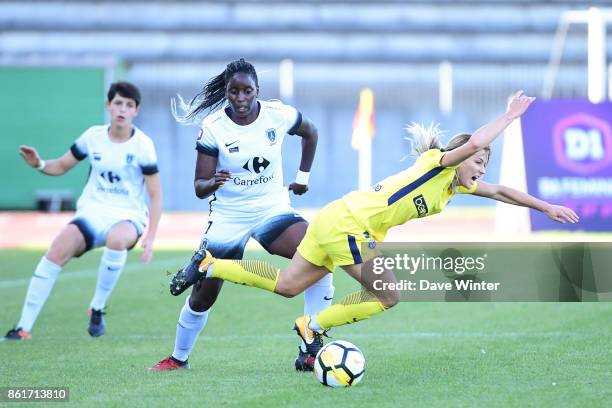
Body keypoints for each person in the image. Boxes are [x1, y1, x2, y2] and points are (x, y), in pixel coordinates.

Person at [170, 91, 579, 357]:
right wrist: (509, 116)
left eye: (485, 164)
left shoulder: (455, 188)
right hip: (349, 225)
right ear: (461, 156)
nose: (481, 168)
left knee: (287, 286)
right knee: (388, 295)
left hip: (336, 219)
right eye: (478, 162)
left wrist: (546, 207)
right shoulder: (437, 165)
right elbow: (472, 143)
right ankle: (312, 326)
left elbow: (504, 192)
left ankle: (212, 265)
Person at [150, 59, 334, 372]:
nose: (240, 98)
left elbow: (311, 132)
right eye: (234, 91)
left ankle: (309, 348)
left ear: (257, 91)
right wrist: (212, 182)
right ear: (226, 92)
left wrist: (302, 177)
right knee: (203, 298)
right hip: (229, 216)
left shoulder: (278, 114)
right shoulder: (213, 127)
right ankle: (178, 359)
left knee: (321, 255)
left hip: (271, 208)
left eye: (247, 91)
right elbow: (199, 187)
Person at [2, 81, 162, 341]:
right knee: (55, 252)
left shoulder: (143, 145)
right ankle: (23, 328)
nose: (122, 109)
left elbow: (156, 194)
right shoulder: (93, 136)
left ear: (136, 111)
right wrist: (39, 163)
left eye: (129, 105)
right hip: (92, 213)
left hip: (127, 216)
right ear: (108, 105)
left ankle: (97, 307)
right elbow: (62, 165)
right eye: (118, 103)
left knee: (117, 239)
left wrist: (151, 238)